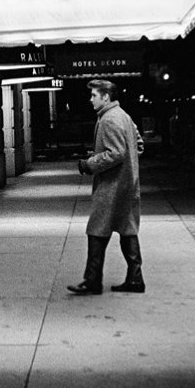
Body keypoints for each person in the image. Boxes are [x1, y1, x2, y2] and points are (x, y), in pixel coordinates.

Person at [67, 78, 145, 296]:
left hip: (112, 187)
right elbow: (137, 145)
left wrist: (89, 164)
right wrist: (129, 165)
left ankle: (92, 281)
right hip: (127, 185)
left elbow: (116, 153)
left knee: (97, 231)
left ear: (106, 97)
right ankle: (135, 278)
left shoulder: (109, 119)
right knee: (127, 230)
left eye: (94, 95)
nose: (90, 99)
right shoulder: (124, 116)